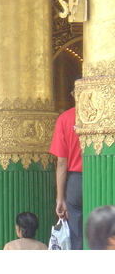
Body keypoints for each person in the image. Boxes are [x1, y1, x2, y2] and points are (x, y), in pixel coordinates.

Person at [49, 104, 83, 249]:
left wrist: (60, 198)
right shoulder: (107, 111)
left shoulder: (66, 118)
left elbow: (62, 163)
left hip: (76, 183)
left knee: (77, 235)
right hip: (105, 178)